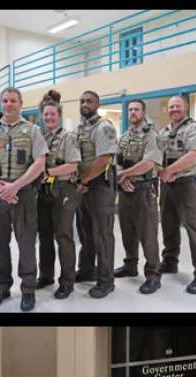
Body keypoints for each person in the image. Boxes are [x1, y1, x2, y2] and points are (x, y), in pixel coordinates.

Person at [0, 87, 48, 311]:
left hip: (23, 194)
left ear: (20, 103)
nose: (8, 104)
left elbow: (40, 163)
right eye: (5, 101)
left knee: (26, 244)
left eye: (13, 100)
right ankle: (2, 287)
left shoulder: (33, 130)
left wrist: (15, 186)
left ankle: (28, 290)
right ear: (1, 104)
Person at [157, 95, 196, 294]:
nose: (174, 109)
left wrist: (169, 171)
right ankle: (170, 261)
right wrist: (161, 171)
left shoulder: (195, 129)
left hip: (189, 185)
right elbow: (156, 156)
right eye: (171, 106)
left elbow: (193, 156)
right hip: (167, 185)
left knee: (194, 228)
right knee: (168, 225)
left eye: (178, 106)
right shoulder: (163, 132)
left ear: (186, 107)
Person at [71, 90, 119, 298]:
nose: (85, 104)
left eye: (89, 101)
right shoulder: (79, 129)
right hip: (82, 186)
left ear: (97, 104)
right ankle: (87, 270)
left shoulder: (103, 127)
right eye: (82, 101)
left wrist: (83, 180)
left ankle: (106, 281)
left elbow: (103, 160)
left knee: (102, 234)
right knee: (86, 231)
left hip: (99, 185)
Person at [35, 90, 81, 300]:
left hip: (63, 190)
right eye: (46, 114)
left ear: (59, 116)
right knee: (44, 236)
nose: (49, 117)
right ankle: (46, 276)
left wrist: (48, 172)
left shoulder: (68, 138)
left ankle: (67, 282)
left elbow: (73, 165)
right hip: (42, 192)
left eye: (52, 114)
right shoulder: (39, 137)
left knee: (63, 236)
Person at [114, 99, 163, 294]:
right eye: (130, 109)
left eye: (136, 109)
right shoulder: (124, 136)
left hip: (144, 191)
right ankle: (130, 265)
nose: (133, 112)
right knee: (127, 231)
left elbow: (148, 163)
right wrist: (122, 179)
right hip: (125, 191)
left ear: (144, 112)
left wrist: (123, 175)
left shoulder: (152, 136)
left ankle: (153, 276)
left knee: (147, 234)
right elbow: (117, 161)